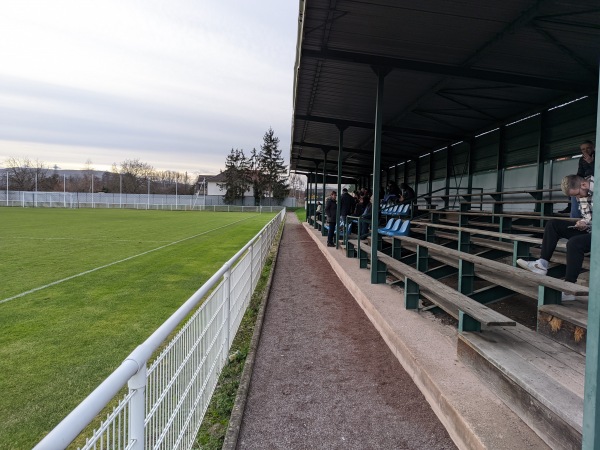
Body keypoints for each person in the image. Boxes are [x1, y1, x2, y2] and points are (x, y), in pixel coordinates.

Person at [517, 174, 593, 301]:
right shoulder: (582, 192)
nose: (577, 198)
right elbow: (588, 216)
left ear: (584, 185)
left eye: (576, 195)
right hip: (590, 230)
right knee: (552, 224)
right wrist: (583, 222)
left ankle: (569, 289)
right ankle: (542, 264)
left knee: (574, 243)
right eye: (574, 196)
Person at [560, 140, 595, 216]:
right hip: (585, 179)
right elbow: (580, 173)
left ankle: (576, 217)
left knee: (578, 192)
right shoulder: (581, 159)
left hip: (595, 181)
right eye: (583, 149)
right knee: (571, 188)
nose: (585, 151)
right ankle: (572, 213)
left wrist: (591, 162)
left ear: (593, 148)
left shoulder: (597, 156)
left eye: (588, 148)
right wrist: (574, 180)